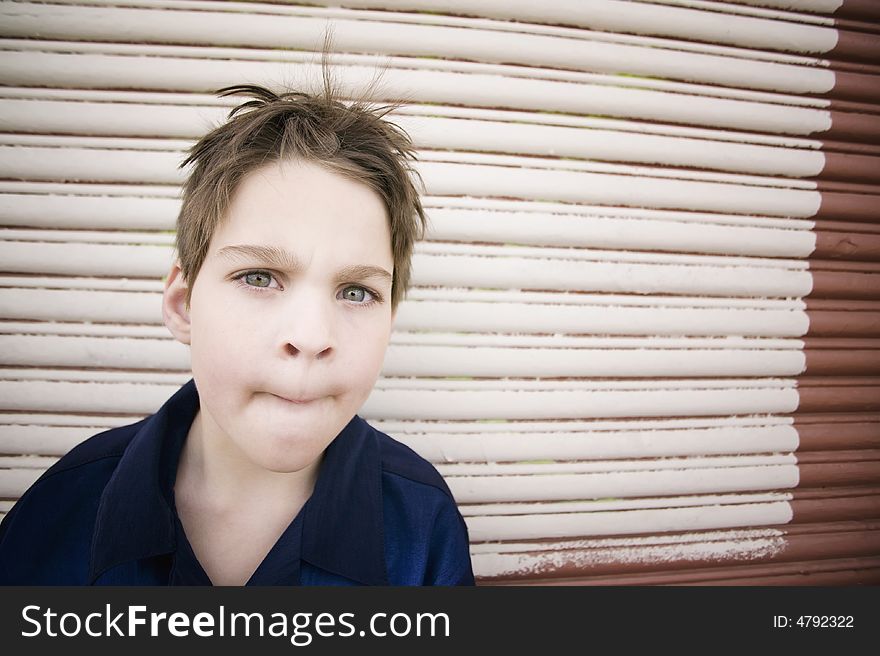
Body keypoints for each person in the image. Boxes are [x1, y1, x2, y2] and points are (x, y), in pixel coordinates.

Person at [0, 74, 475, 586]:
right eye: (259, 277)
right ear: (184, 304)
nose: (312, 336)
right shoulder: (64, 506)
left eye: (356, 291)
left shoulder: (423, 523)